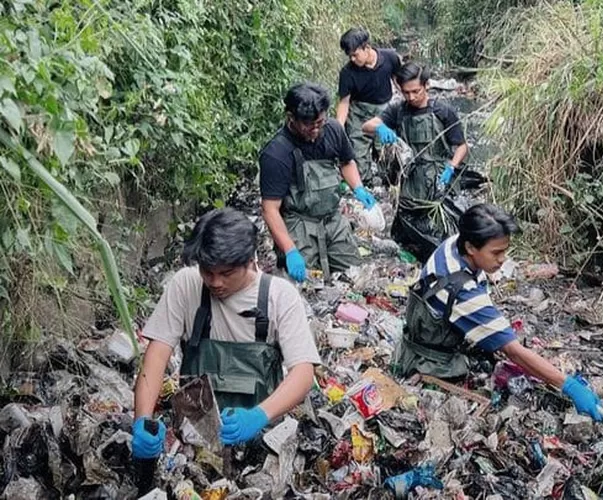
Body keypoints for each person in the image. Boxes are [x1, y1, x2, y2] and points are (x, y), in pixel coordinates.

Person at [131, 208, 321, 460]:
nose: (215, 282)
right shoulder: (186, 285)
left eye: (226, 273)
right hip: (194, 432)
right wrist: (142, 419)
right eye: (208, 272)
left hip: (260, 432)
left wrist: (259, 416)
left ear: (249, 261)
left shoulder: (279, 296)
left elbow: (304, 372)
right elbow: (156, 356)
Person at [394, 203, 602, 421]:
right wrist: (567, 385)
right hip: (430, 359)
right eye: (496, 252)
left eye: (505, 250)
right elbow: (513, 351)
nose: (503, 259)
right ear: (471, 247)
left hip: (425, 334)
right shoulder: (462, 290)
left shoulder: (454, 245)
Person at [260, 82, 377, 282]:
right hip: (298, 224)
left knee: (357, 276)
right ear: (291, 118)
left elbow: (347, 162)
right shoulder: (276, 153)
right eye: (308, 125)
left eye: (319, 122)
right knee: (302, 285)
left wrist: (358, 188)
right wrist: (289, 251)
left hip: (332, 219)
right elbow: (270, 209)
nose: (315, 130)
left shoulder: (332, 130)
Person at [362, 62, 468, 201]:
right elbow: (366, 126)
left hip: (439, 177)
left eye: (416, 91)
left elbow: (462, 146)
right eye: (406, 92)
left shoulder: (443, 111)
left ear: (427, 85)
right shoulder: (398, 110)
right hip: (408, 180)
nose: (411, 97)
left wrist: (451, 167)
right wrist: (380, 128)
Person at [336, 27, 401, 185]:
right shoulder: (347, 73)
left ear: (366, 47)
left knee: (386, 150)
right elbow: (344, 102)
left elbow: (399, 83)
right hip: (358, 114)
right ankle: (366, 184)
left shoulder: (390, 58)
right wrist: (338, 129)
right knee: (358, 154)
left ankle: (387, 184)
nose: (352, 59)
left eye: (355, 55)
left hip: (383, 112)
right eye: (349, 56)